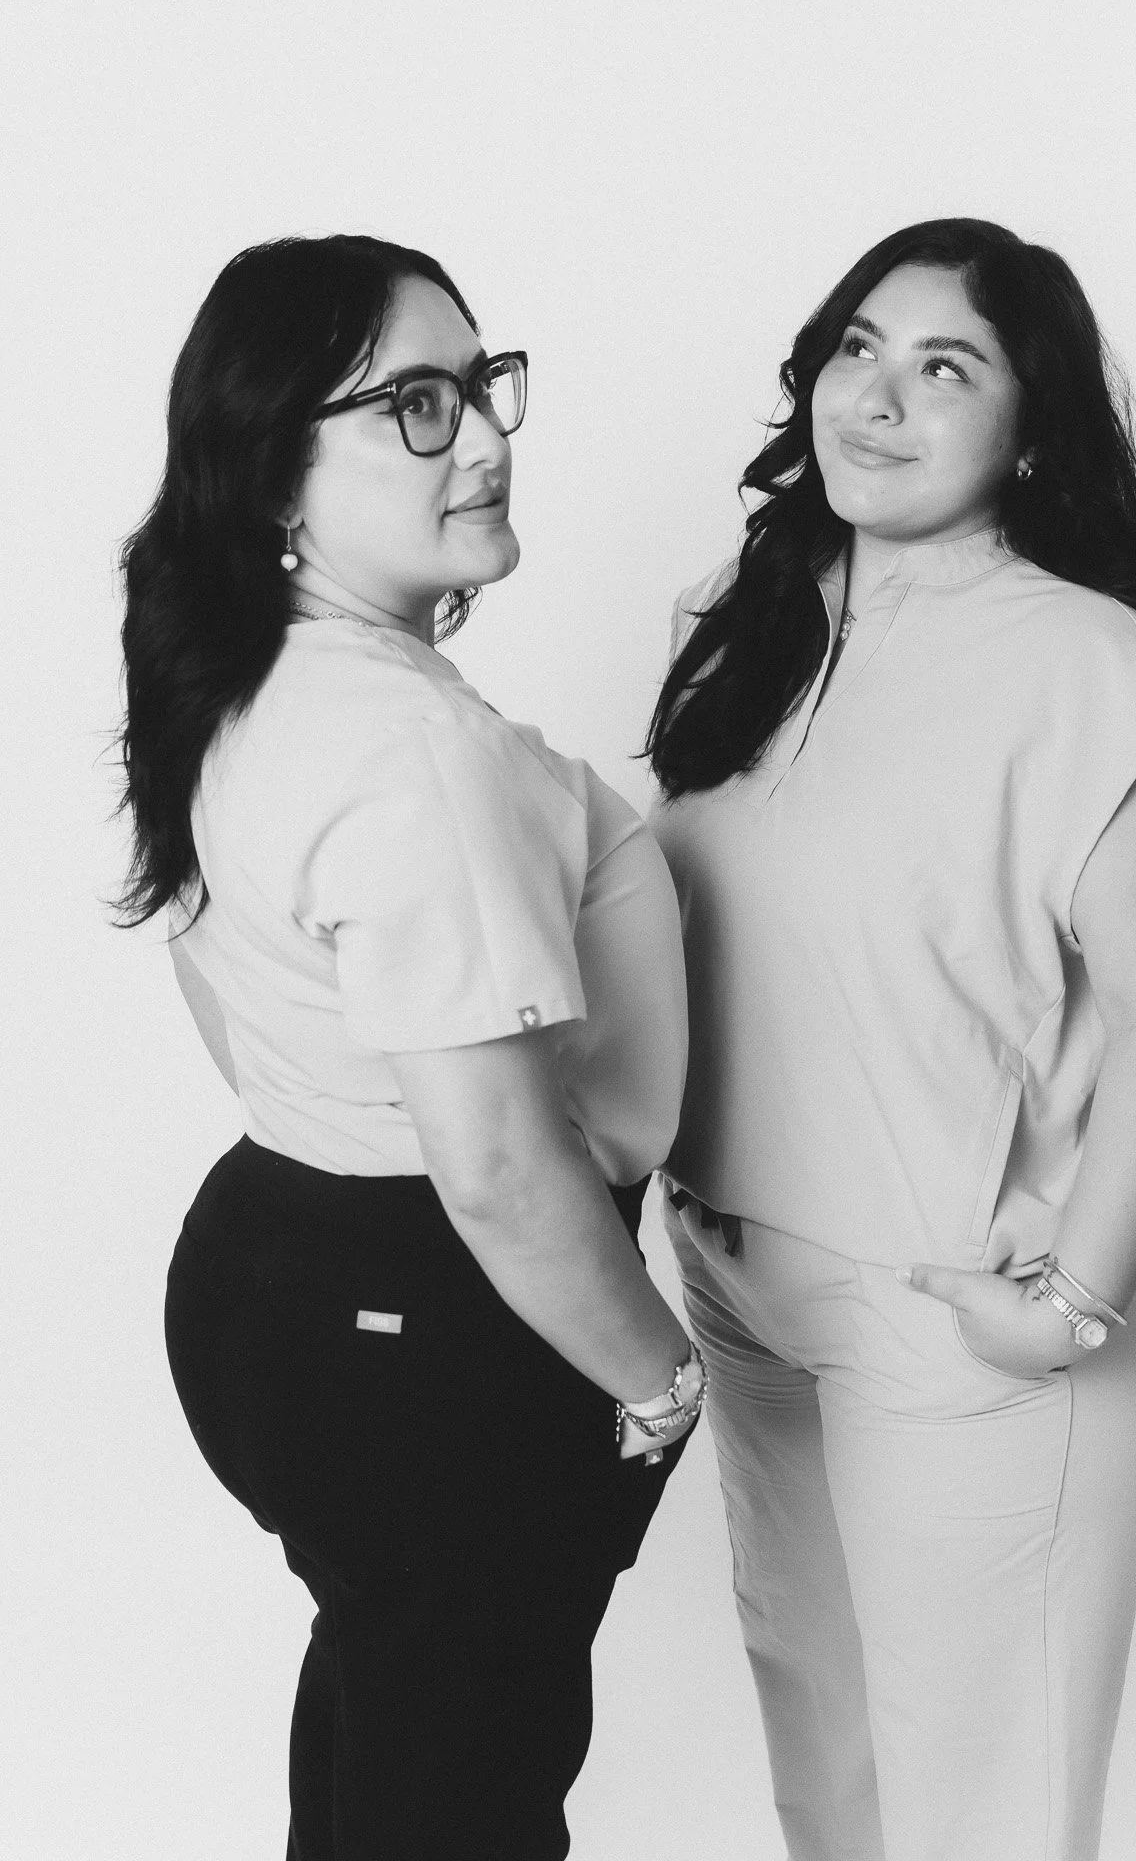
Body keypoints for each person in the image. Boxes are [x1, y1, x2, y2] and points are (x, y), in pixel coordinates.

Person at [645, 218, 1136, 1861]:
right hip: (753, 1294)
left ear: (1031, 429)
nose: (877, 398)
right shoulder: (755, 617)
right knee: (831, 1781)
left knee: (981, 1815)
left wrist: (1068, 1306)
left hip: (970, 1321)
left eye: (944, 368)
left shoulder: (1094, 672)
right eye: (858, 349)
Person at [117, 233, 705, 1861]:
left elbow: (219, 981)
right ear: (277, 477)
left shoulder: (244, 677)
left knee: (396, 1737)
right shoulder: (414, 747)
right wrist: (659, 1379)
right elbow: (502, 1167)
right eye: (420, 407)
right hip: (444, 1319)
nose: (489, 438)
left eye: (484, 385)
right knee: (463, 1797)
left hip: (274, 1266)